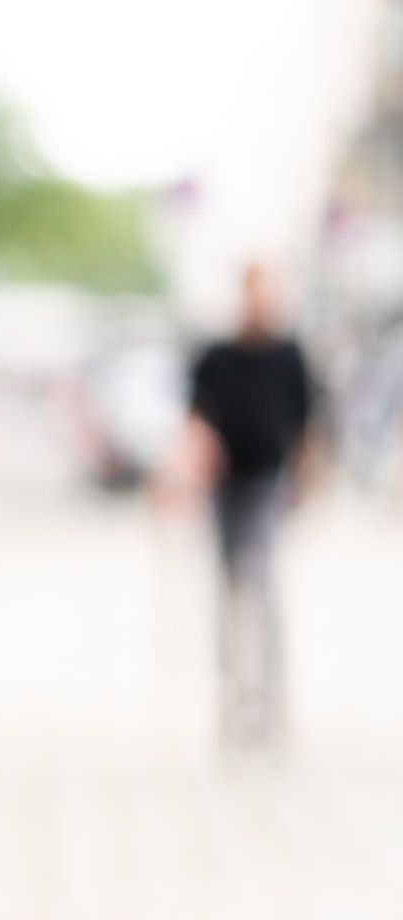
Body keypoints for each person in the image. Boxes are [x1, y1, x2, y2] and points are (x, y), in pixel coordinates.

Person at [188, 264, 315, 749]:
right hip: (223, 484)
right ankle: (229, 704)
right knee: (225, 591)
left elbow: (306, 422)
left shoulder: (289, 354)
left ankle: (272, 705)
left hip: (267, 481)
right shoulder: (217, 355)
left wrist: (307, 478)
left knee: (262, 587)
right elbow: (196, 417)